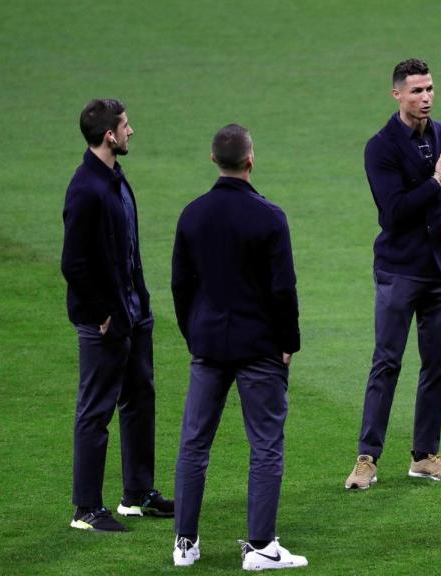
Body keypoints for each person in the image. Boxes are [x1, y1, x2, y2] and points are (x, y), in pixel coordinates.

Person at [169, 124, 308, 570]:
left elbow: (180, 285)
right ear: (251, 159)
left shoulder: (192, 215)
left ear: (214, 159)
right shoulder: (270, 217)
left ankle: (184, 544)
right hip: (260, 347)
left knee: (194, 443)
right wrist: (289, 341)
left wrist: (194, 333)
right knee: (265, 445)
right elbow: (283, 289)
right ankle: (262, 547)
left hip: (208, 345)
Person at [345, 58, 441, 490]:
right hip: (400, 270)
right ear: (397, 94)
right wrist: (436, 182)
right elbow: (394, 212)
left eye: (430, 88)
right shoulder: (380, 147)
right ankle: (367, 459)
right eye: (417, 91)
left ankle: (424, 456)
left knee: (438, 366)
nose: (426, 97)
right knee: (387, 363)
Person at [61, 98, 174, 532]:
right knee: (95, 410)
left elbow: (126, 249)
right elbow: (73, 264)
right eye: (125, 126)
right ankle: (86, 508)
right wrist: (102, 312)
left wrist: (139, 303)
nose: (131, 131)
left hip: (133, 313)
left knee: (140, 400)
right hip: (105, 321)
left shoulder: (114, 178)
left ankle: (137, 494)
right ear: (109, 135)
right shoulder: (86, 188)